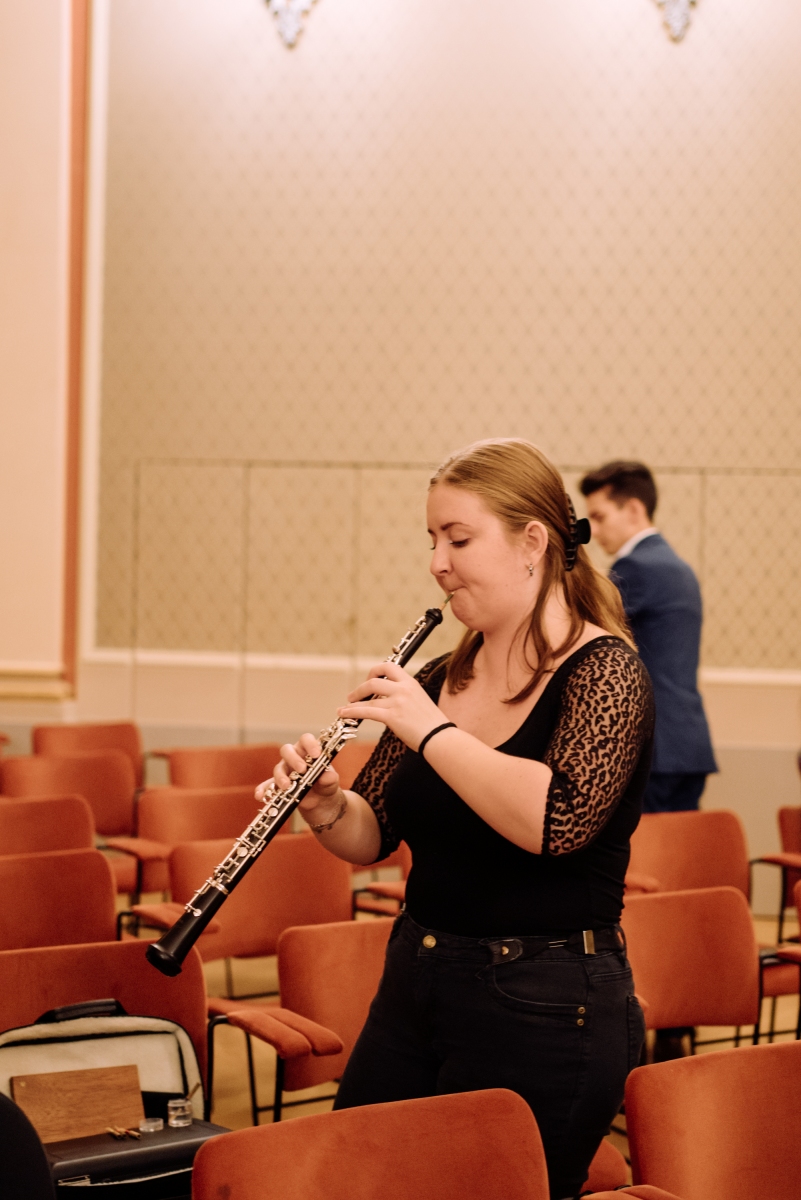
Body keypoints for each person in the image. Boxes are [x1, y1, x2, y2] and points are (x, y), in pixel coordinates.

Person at [261, 439, 653, 1200]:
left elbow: (556, 821)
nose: (437, 563)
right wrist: (326, 806)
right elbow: (372, 834)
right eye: (431, 539)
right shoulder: (441, 675)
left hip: (547, 1001)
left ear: (532, 543)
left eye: (459, 539)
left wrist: (431, 730)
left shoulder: (606, 671)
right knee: (353, 1182)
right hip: (418, 974)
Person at [579, 461, 717, 813]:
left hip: (656, 747)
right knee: (683, 848)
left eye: (599, 517)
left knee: (645, 847)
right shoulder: (677, 567)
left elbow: (584, 634)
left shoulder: (636, 568)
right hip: (687, 742)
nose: (593, 531)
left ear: (634, 509)